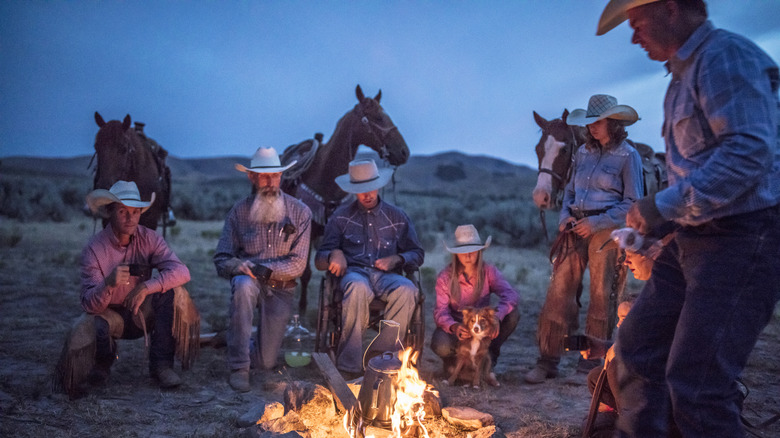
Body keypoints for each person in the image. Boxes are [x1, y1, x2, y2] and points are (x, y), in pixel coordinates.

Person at [597, 1, 780, 436]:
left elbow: (748, 153)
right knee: (638, 350)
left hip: (742, 237)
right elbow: (701, 170)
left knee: (699, 385)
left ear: (672, 10)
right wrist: (659, 223)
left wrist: (660, 205)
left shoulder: (723, 57)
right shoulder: (682, 78)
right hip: (697, 237)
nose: (633, 37)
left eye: (637, 23)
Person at [524, 94, 644, 384]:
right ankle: (548, 359)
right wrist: (565, 215)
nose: (592, 127)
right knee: (558, 290)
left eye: (598, 122)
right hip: (576, 223)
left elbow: (633, 201)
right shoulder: (583, 154)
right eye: (589, 122)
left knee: (602, 293)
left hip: (607, 226)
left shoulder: (628, 156)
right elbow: (569, 192)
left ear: (613, 123)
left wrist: (596, 222)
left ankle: (589, 364)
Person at [214, 147, 312, 392]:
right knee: (243, 285)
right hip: (249, 281)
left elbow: (298, 265)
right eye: (264, 176)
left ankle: (237, 337)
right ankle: (239, 367)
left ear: (282, 176)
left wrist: (260, 268)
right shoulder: (239, 212)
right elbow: (221, 258)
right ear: (252, 177)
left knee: (267, 362)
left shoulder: (300, 212)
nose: (270, 182)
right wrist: (236, 265)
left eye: (276, 175)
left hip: (281, 288)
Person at [315, 158, 424, 378]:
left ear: (378, 185)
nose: (367, 194)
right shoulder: (341, 217)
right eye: (361, 190)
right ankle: (349, 366)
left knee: (407, 289)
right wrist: (334, 254)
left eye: (371, 188)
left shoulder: (397, 217)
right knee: (357, 287)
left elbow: (417, 253)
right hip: (354, 274)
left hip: (388, 276)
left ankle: (386, 361)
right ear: (353, 191)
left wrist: (397, 259)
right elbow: (320, 258)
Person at [80, 180, 191, 389]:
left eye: (136, 211)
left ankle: (162, 366)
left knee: (167, 295)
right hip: (110, 314)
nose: (131, 218)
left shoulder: (149, 239)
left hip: (141, 312)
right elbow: (88, 304)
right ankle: (101, 365)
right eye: (123, 211)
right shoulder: (94, 249)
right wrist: (108, 284)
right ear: (110, 212)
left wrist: (147, 286)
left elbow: (182, 271)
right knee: (93, 323)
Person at [431, 224, 520, 373]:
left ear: (479, 252)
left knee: (512, 314)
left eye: (473, 251)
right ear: (456, 254)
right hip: (459, 329)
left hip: (483, 327)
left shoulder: (488, 271)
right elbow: (440, 311)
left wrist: (497, 317)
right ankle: (457, 362)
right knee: (441, 344)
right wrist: (454, 326)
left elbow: (511, 294)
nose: (468, 255)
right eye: (463, 251)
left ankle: (489, 355)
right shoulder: (445, 277)